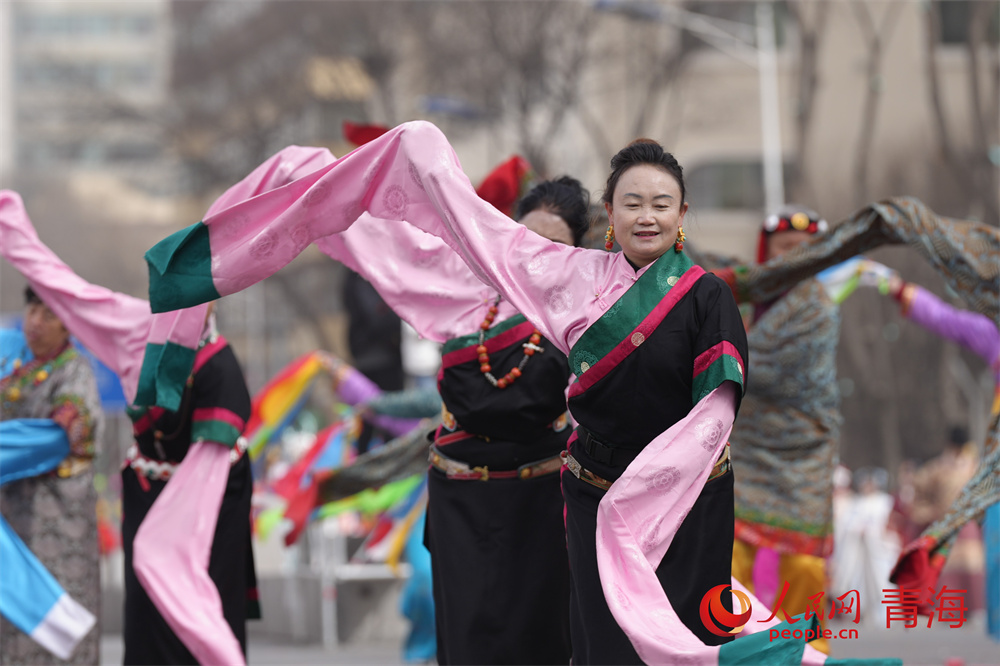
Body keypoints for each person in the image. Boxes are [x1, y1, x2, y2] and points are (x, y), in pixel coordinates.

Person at [321, 176, 590, 664]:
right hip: (459, 505)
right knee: (463, 641)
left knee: (540, 643)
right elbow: (428, 405)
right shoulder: (467, 297)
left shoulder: (585, 315)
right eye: (525, 237)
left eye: (554, 244)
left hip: (541, 508)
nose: (536, 253)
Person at [121, 303, 259, 664]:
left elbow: (212, 453)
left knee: (198, 599)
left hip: (206, 503)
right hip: (147, 493)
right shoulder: (147, 346)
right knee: (145, 605)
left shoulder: (218, 364)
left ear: (211, 302)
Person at [729, 205, 839, 653]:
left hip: (804, 448)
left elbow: (768, 366)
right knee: (731, 557)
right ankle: (731, 646)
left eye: (805, 249)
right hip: (745, 444)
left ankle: (807, 651)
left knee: (805, 565)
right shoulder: (742, 298)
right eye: (785, 248)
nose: (796, 256)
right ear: (767, 252)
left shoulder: (818, 306)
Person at [0, 287, 102, 665]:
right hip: (12, 520)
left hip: (57, 529)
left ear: (67, 324)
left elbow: (58, 437)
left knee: (57, 636)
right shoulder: (14, 366)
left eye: (48, 315)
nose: (35, 323)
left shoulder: (74, 371)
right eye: (31, 311)